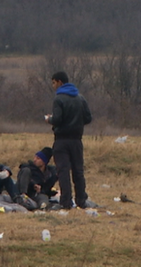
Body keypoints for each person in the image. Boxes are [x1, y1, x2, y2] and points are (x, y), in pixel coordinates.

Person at [45, 71, 95, 209]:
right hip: (77, 140)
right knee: (78, 171)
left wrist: (49, 119)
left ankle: (66, 202)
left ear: (60, 82)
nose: (53, 86)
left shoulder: (59, 99)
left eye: (54, 82)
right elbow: (88, 118)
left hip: (61, 140)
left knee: (63, 171)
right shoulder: (80, 97)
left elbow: (58, 120)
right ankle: (81, 200)